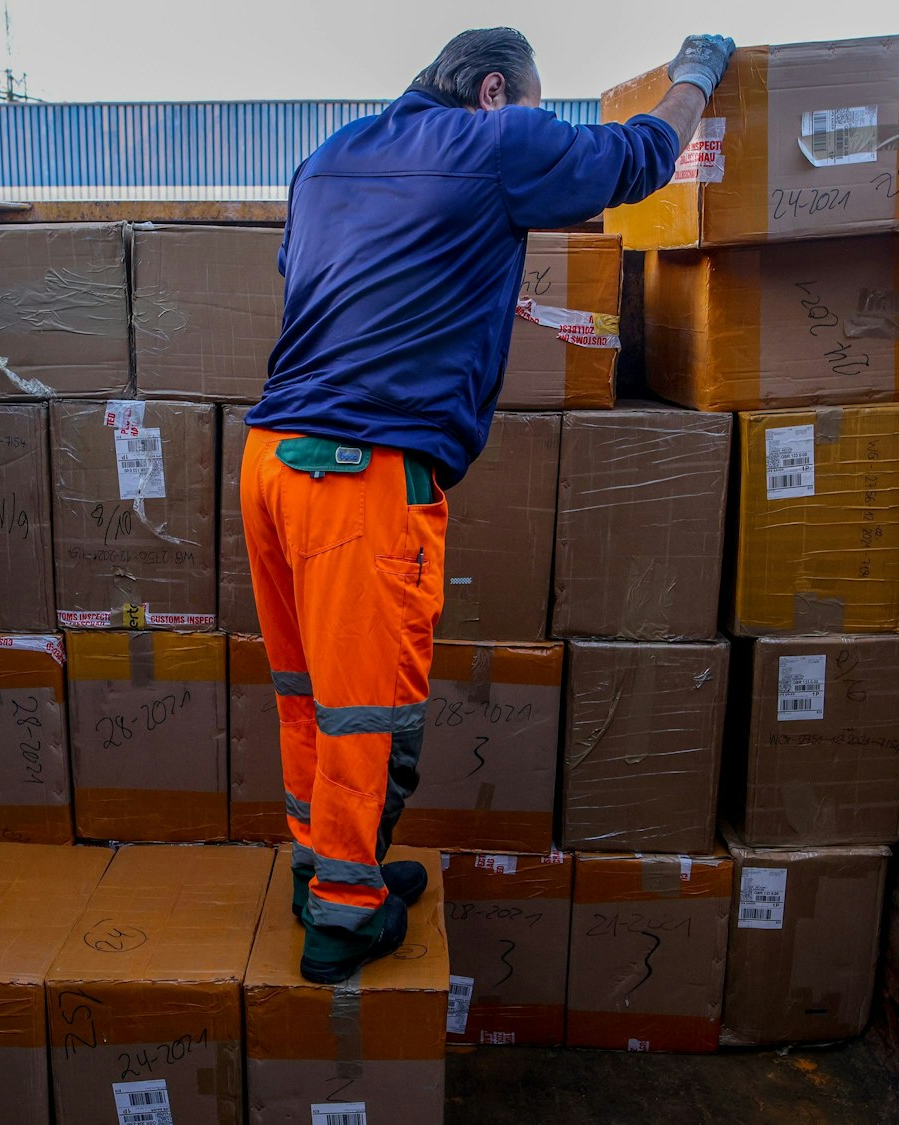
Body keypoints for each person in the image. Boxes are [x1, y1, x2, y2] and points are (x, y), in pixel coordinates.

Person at [242, 28, 735, 983]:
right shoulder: (497, 143)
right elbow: (635, 159)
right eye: (528, 101)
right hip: (360, 478)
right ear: (495, 90)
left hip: (269, 465)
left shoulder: (325, 161)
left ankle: (329, 870)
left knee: (312, 697)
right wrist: (693, 82)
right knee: (370, 713)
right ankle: (343, 919)